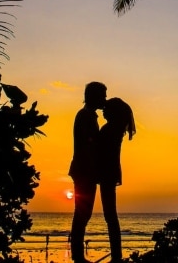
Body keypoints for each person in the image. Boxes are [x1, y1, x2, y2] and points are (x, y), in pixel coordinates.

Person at [68, 81, 107, 263]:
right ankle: (77, 256)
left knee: (84, 212)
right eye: (103, 95)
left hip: (86, 171)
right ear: (94, 96)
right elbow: (87, 145)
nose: (105, 99)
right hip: (84, 171)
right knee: (82, 212)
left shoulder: (88, 115)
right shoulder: (85, 116)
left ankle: (77, 255)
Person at [95, 97, 136, 263]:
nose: (103, 111)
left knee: (110, 215)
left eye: (106, 109)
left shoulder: (111, 129)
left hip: (107, 173)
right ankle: (116, 254)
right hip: (109, 172)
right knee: (110, 214)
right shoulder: (116, 128)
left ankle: (116, 256)